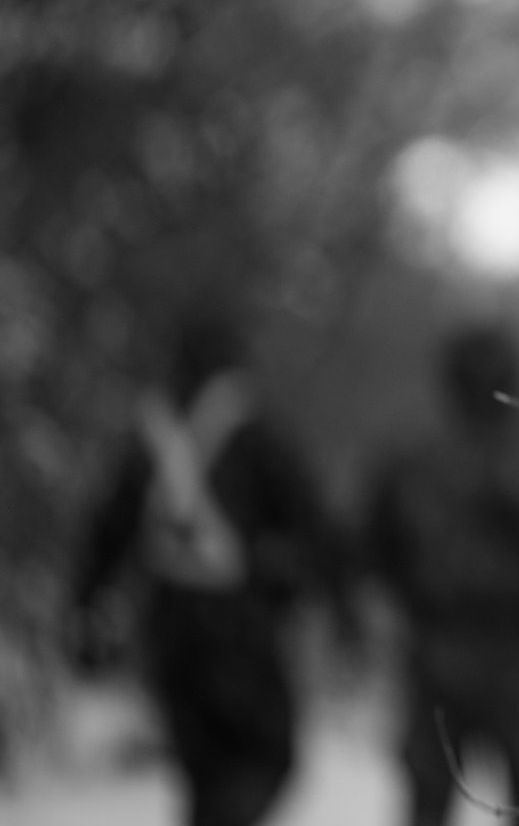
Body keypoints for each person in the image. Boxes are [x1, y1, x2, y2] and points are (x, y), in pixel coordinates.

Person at [69, 311, 352, 826]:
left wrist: (85, 612)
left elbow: (104, 537)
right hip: (240, 633)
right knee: (267, 758)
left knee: (204, 770)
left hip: (170, 634)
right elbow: (316, 531)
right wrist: (319, 593)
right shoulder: (257, 437)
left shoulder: (152, 442)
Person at [365, 323, 519, 826]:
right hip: (487, 645)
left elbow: (373, 556)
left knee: (443, 796)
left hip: (468, 645)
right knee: (508, 793)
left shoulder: (413, 457)